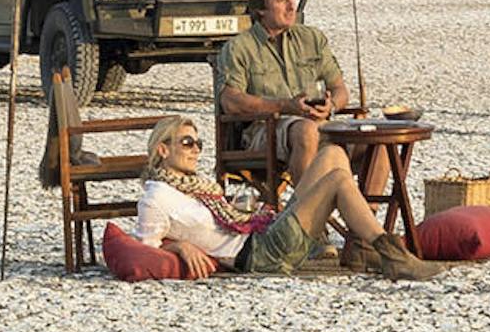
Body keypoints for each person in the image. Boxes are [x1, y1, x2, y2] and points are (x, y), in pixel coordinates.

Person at [133, 114, 444, 281]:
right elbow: (143, 250)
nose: (196, 149)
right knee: (336, 179)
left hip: (265, 233)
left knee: (333, 154)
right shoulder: (156, 198)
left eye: (198, 142)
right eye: (187, 143)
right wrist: (180, 246)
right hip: (260, 255)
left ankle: (363, 247)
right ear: (162, 149)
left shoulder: (191, 184)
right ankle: (391, 255)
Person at [214, 0, 349, 191]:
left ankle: (366, 221)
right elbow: (231, 101)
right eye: (281, 0)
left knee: (380, 143)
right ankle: (307, 216)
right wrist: (286, 106)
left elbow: (340, 89)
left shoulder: (312, 38)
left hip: (320, 123)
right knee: (306, 130)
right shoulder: (239, 47)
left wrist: (331, 105)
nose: (291, 6)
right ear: (260, 9)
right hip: (265, 130)